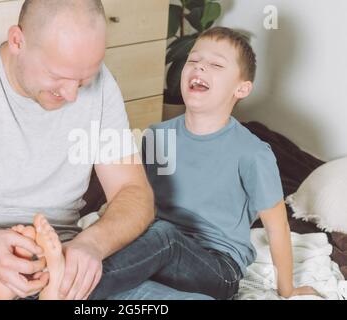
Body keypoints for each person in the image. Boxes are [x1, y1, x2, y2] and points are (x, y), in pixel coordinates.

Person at [0, 0, 210, 300]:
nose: (73, 95)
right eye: (59, 77)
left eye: (83, 79)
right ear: (18, 41)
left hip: (67, 274)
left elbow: (133, 191)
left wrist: (92, 245)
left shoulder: (100, 86)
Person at [86, 27, 319, 300]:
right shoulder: (157, 135)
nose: (200, 68)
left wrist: (287, 289)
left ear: (241, 88)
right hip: (154, 252)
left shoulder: (253, 153)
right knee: (136, 239)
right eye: (193, 61)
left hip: (217, 268)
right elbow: (137, 200)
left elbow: (277, 227)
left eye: (216, 65)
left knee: (165, 236)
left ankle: (65, 286)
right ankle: (74, 274)